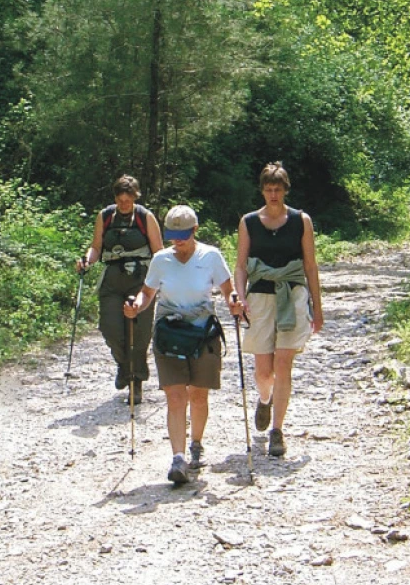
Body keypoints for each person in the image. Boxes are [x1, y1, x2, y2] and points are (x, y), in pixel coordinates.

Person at [125, 205, 243, 485]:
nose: (176, 241)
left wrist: (235, 302)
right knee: (175, 396)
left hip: (202, 332)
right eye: (172, 235)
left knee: (199, 396)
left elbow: (228, 291)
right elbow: (147, 293)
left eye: (182, 235)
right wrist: (136, 306)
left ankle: (196, 443)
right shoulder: (161, 260)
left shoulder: (211, 256)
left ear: (195, 230)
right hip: (169, 332)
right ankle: (178, 458)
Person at [233, 162, 324, 458]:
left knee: (283, 363)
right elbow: (241, 265)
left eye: (278, 189)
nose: (273, 195)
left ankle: (277, 430)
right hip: (259, 297)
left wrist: (317, 307)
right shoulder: (248, 221)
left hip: (292, 294)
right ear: (262, 190)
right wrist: (239, 295)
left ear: (285, 190)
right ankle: (265, 398)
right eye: (269, 189)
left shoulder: (301, 221)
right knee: (263, 369)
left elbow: (310, 265)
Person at [77, 175, 165, 401]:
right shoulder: (105, 216)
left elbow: (159, 251)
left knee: (139, 331)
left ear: (135, 197)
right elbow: (96, 247)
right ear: (115, 198)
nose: (124, 204)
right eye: (120, 200)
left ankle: (136, 382)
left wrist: (161, 280)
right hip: (112, 280)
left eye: (128, 200)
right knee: (110, 328)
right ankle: (124, 366)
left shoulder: (145, 217)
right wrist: (87, 260)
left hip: (141, 281)